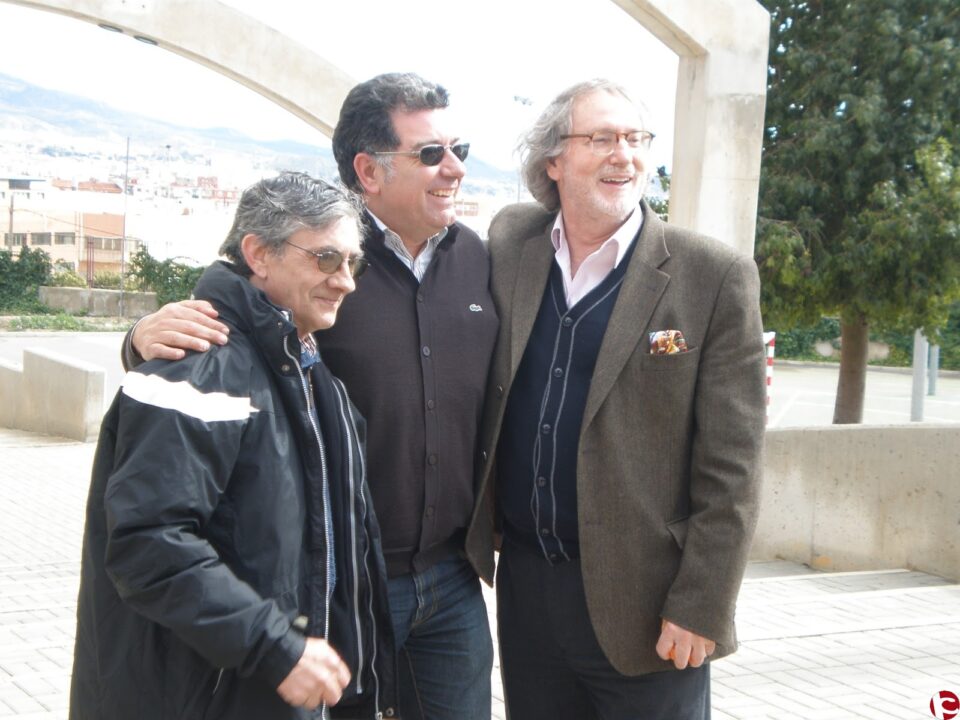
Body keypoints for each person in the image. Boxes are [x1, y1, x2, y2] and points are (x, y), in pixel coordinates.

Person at [120, 73, 498, 720]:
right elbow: (227, 332)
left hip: (452, 582)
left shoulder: (483, 259)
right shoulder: (311, 262)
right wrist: (140, 339)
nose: (455, 168)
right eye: (431, 153)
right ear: (367, 171)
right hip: (338, 582)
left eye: (458, 147)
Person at [463, 79, 766, 719]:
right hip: (527, 593)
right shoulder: (511, 242)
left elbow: (732, 468)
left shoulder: (711, 274)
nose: (623, 155)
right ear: (553, 160)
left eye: (635, 139)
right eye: (601, 138)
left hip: (651, 606)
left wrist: (701, 605)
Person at [71, 172, 398, 719]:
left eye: (352, 262)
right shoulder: (198, 368)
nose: (346, 281)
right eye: (325, 259)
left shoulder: (307, 366)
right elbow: (148, 544)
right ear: (258, 254)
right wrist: (276, 646)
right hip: (204, 694)